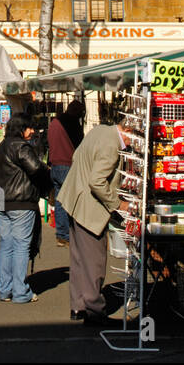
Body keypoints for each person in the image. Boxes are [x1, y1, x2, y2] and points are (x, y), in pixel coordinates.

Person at [57, 112, 126, 325]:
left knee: (79, 260)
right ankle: (94, 309)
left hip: (75, 200)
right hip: (89, 208)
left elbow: (78, 156)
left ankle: (78, 307)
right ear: (129, 131)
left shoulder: (99, 131)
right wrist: (118, 204)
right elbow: (97, 181)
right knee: (94, 262)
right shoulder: (112, 143)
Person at [0, 113, 51, 304]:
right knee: (21, 246)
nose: (32, 131)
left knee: (6, 245)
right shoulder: (20, 146)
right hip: (20, 201)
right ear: (21, 128)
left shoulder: (2, 146)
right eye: (29, 127)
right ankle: (20, 291)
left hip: (1, 200)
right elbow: (35, 168)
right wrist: (46, 171)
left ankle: (5, 289)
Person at [47, 100, 85, 246]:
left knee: (59, 200)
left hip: (55, 164)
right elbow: (80, 144)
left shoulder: (55, 122)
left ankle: (61, 234)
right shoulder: (72, 124)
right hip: (67, 164)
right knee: (70, 201)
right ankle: (67, 234)